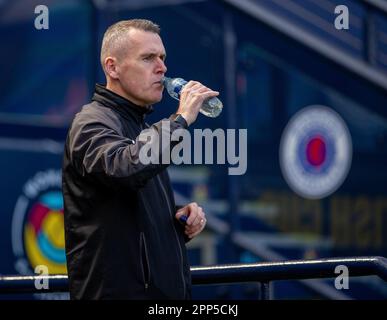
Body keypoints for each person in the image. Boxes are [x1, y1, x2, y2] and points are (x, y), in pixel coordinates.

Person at [61, 19, 220, 300]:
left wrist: (176, 220)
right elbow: (125, 169)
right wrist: (180, 119)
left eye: (162, 58)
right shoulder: (90, 123)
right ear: (113, 67)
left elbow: (127, 208)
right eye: (148, 58)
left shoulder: (141, 128)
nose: (162, 68)